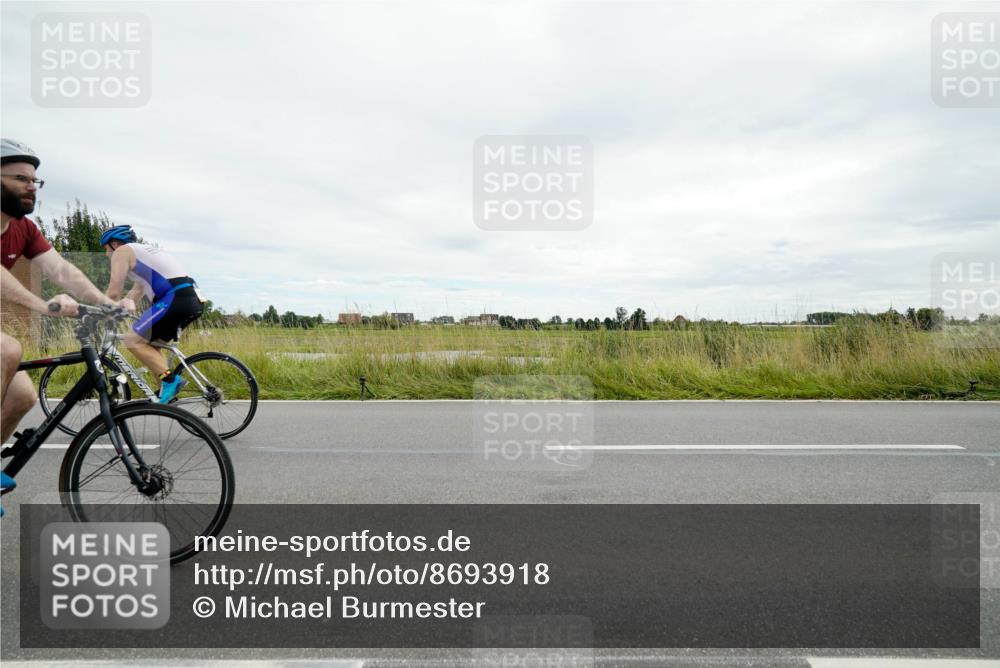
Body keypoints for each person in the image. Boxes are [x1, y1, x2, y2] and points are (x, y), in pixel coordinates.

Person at [1, 138, 132, 515]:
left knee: (22, 396)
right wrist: (42, 305)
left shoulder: (23, 229)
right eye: (20, 178)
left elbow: (61, 270)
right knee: (8, 350)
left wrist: (106, 304)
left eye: (35, 181)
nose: (31, 186)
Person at [102, 225, 205, 403]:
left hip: (174, 297)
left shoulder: (122, 252)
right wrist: (123, 307)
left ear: (114, 244)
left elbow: (113, 292)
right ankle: (166, 391)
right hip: (190, 298)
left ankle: (170, 381)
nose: (106, 254)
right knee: (152, 343)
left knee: (132, 340)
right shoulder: (142, 254)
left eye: (105, 249)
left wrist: (98, 311)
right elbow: (136, 291)